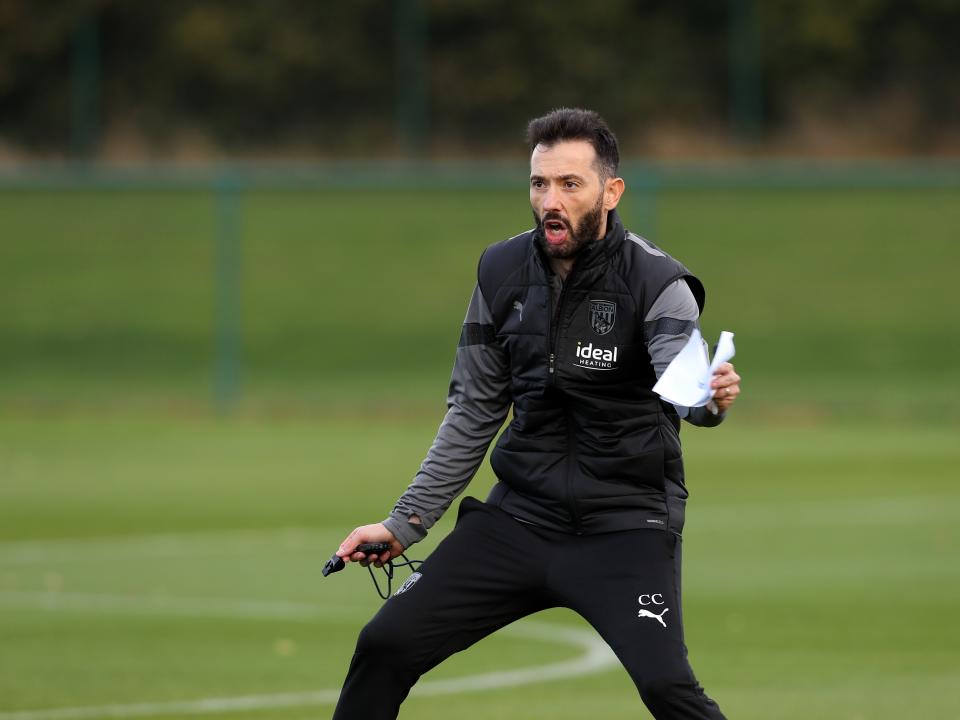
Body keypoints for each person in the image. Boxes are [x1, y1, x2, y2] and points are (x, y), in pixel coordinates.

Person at [331, 108, 741, 720]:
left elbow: (688, 391)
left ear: (610, 191)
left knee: (667, 689)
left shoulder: (658, 284)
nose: (551, 201)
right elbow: (473, 411)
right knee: (384, 644)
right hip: (518, 521)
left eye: (570, 184)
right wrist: (404, 523)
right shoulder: (500, 273)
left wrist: (709, 399)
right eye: (540, 183)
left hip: (625, 527)